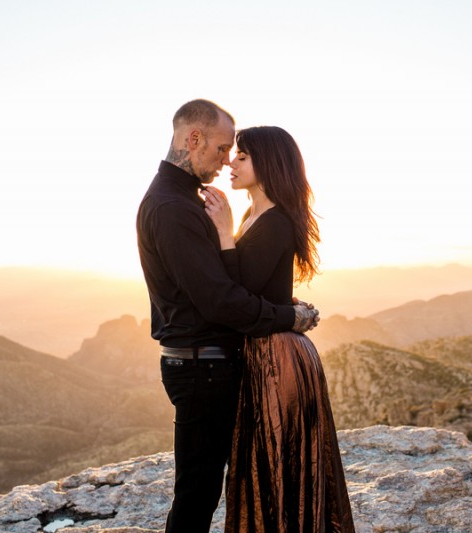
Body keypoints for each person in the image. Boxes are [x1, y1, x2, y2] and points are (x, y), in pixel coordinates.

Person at [136, 100, 320, 533]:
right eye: (222, 149)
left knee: (211, 485)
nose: (225, 161)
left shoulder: (187, 200)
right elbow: (220, 300)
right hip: (202, 367)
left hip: (211, 363)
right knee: (198, 492)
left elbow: (228, 281)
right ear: (192, 139)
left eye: (235, 153)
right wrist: (287, 317)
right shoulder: (173, 208)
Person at [202, 126, 355, 531]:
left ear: (267, 163)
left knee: (278, 461)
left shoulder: (276, 221)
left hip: (278, 358)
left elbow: (241, 291)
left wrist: (222, 231)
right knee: (263, 462)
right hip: (265, 350)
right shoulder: (256, 215)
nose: (230, 164)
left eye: (242, 157)